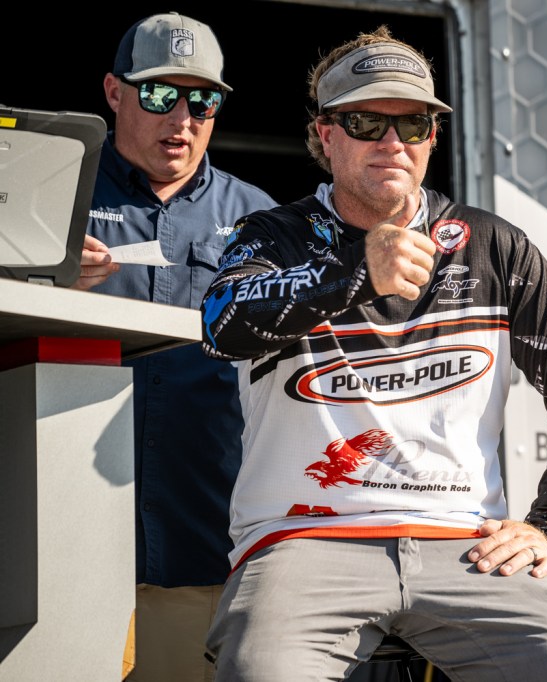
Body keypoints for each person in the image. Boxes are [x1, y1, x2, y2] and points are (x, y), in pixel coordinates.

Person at [198, 25, 547, 681]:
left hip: (467, 546)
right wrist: (354, 274)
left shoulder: (492, 245)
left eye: (414, 123)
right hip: (305, 540)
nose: (392, 141)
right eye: (367, 121)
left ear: (432, 136)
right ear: (326, 134)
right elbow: (221, 323)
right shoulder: (274, 236)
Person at [72, 12, 278, 682]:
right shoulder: (55, 194)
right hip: (62, 536)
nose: (182, 119)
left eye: (203, 100)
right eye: (160, 95)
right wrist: (40, 277)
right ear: (113, 92)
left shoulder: (261, 220)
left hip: (209, 549)